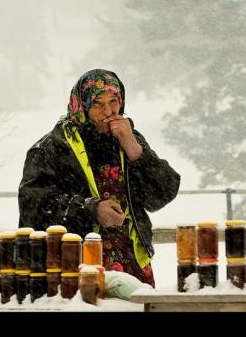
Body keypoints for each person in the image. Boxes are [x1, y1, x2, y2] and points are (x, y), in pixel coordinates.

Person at [18, 68, 181, 287]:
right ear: (82, 105)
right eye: (98, 103)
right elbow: (33, 207)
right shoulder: (54, 147)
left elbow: (163, 193)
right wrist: (90, 210)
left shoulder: (128, 139)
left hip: (131, 262)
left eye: (113, 101)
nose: (108, 111)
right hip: (75, 266)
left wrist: (134, 149)